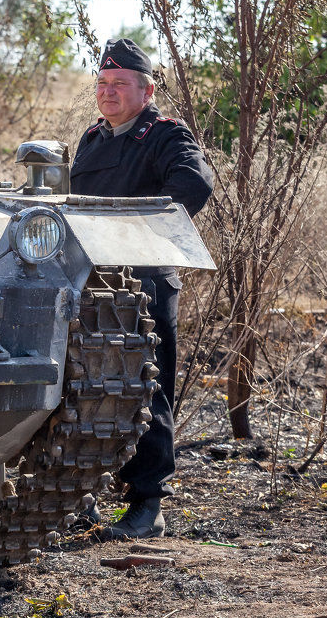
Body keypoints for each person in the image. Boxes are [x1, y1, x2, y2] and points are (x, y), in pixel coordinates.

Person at [69, 38, 213, 539]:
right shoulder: (93, 139)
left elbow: (195, 185)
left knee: (146, 393)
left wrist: (137, 236)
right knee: (84, 391)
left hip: (143, 285)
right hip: (89, 284)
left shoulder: (166, 135)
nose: (108, 92)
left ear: (147, 90)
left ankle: (147, 506)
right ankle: (75, 495)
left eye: (120, 84)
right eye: (102, 83)